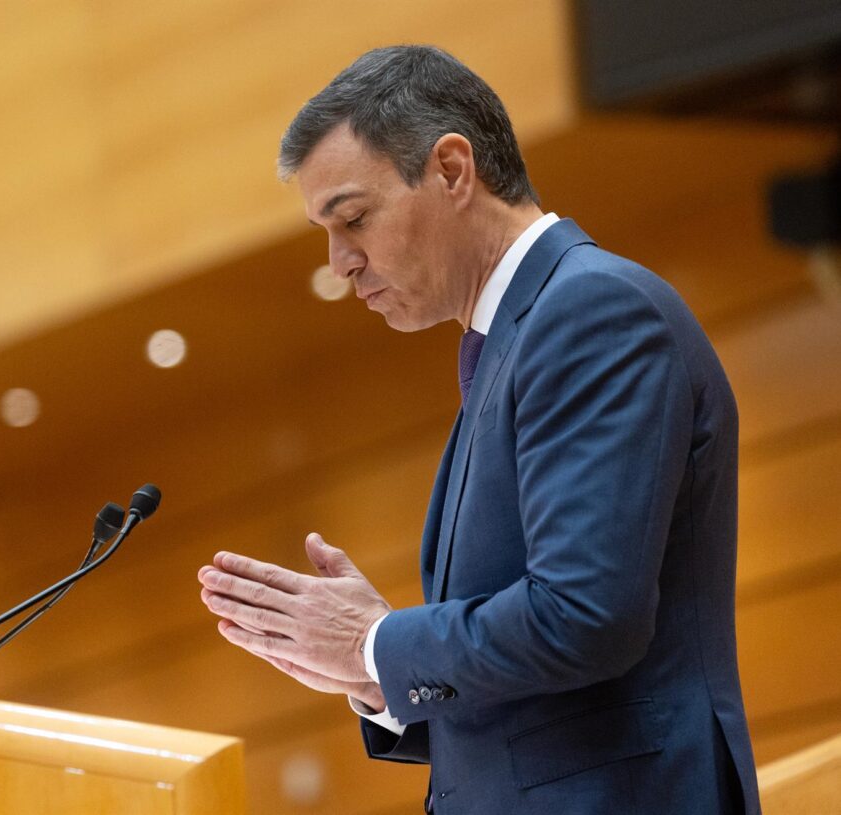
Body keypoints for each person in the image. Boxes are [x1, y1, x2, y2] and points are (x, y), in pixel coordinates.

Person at [197, 45, 761, 814]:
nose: (339, 264)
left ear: (454, 170)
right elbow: (543, 706)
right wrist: (374, 673)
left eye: (354, 218)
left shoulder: (591, 312)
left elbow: (586, 619)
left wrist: (376, 643)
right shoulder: (514, 342)